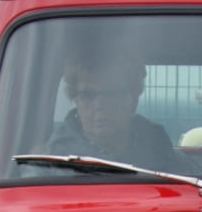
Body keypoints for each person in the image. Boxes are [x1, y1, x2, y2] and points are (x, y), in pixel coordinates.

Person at [49, 48, 180, 168]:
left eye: (112, 94)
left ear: (134, 99)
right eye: (87, 95)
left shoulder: (158, 148)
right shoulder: (51, 161)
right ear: (75, 99)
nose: (99, 104)